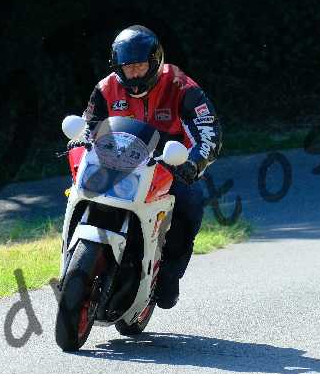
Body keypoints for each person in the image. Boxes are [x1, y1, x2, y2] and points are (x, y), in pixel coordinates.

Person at [71, 25, 222, 309]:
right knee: (75, 190)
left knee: (191, 202)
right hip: (116, 163)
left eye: (140, 66)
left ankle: (168, 274)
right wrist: (79, 140)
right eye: (128, 68)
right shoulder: (105, 88)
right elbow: (89, 125)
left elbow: (209, 133)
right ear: (118, 67)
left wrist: (193, 163)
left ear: (155, 62)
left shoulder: (182, 87)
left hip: (168, 165)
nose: (135, 74)